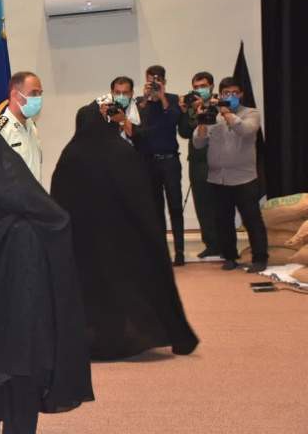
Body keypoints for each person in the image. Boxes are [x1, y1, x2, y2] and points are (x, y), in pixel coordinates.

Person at [0, 109, 93, 434]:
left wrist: (14, 236)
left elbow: (53, 219)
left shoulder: (9, 175)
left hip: (16, 296)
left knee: (19, 375)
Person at [51, 93, 199, 360]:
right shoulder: (121, 152)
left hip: (83, 245)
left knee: (91, 293)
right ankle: (133, 337)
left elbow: (59, 200)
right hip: (122, 240)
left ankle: (92, 339)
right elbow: (140, 199)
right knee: (126, 289)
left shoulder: (70, 155)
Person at [193, 77, 268, 273]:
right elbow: (198, 143)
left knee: (252, 220)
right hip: (218, 178)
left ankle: (260, 258)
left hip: (244, 178)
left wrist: (227, 113)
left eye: (234, 93)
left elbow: (245, 130)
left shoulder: (251, 113)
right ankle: (230, 257)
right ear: (220, 94)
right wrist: (202, 122)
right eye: (226, 93)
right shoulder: (213, 114)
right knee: (223, 221)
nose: (230, 96)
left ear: (241, 94)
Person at [135, 65, 185, 265]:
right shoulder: (140, 102)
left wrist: (162, 97)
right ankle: (161, 252)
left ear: (164, 81)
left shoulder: (172, 99)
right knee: (156, 209)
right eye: (151, 81)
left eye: (158, 80)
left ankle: (179, 252)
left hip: (170, 161)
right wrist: (146, 99)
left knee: (175, 207)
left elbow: (174, 120)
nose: (154, 84)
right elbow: (139, 127)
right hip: (149, 162)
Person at [178, 72, 221, 259]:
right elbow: (185, 132)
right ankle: (211, 244)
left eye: (203, 86)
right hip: (197, 161)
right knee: (202, 204)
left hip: (219, 160)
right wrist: (189, 111)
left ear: (211, 86)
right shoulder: (190, 107)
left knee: (220, 204)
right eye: (196, 87)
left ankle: (225, 244)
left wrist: (208, 108)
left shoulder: (219, 104)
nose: (199, 89)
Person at [0, 71, 44, 182]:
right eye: (34, 93)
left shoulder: (32, 127)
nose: (38, 98)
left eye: (40, 93)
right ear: (15, 95)